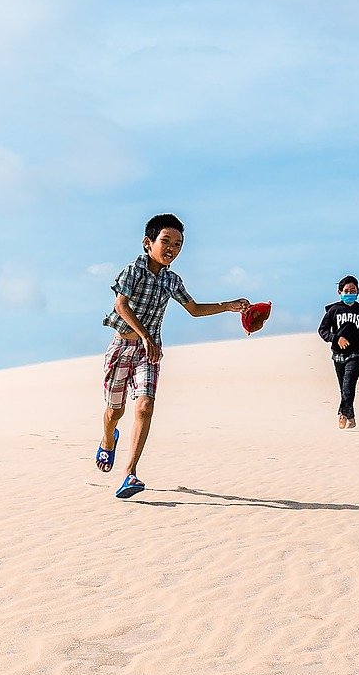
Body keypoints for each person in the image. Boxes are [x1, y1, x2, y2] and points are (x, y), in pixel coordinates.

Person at [98, 213, 248, 499]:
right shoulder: (134, 270)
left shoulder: (171, 280)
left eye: (178, 244)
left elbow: (193, 309)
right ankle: (108, 439)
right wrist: (144, 334)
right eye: (166, 241)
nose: (172, 248)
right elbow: (120, 306)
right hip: (122, 347)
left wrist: (228, 305)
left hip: (149, 353)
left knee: (145, 406)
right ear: (148, 242)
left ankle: (130, 473)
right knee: (114, 412)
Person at [317, 275, 359, 429]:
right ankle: (351, 415)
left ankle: (343, 414)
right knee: (344, 388)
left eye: (353, 290)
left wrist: (346, 338)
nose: (350, 292)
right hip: (338, 354)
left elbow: (354, 330)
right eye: (346, 290)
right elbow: (322, 330)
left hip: (358, 352)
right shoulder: (333, 310)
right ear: (339, 292)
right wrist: (336, 338)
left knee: (348, 384)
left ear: (358, 291)